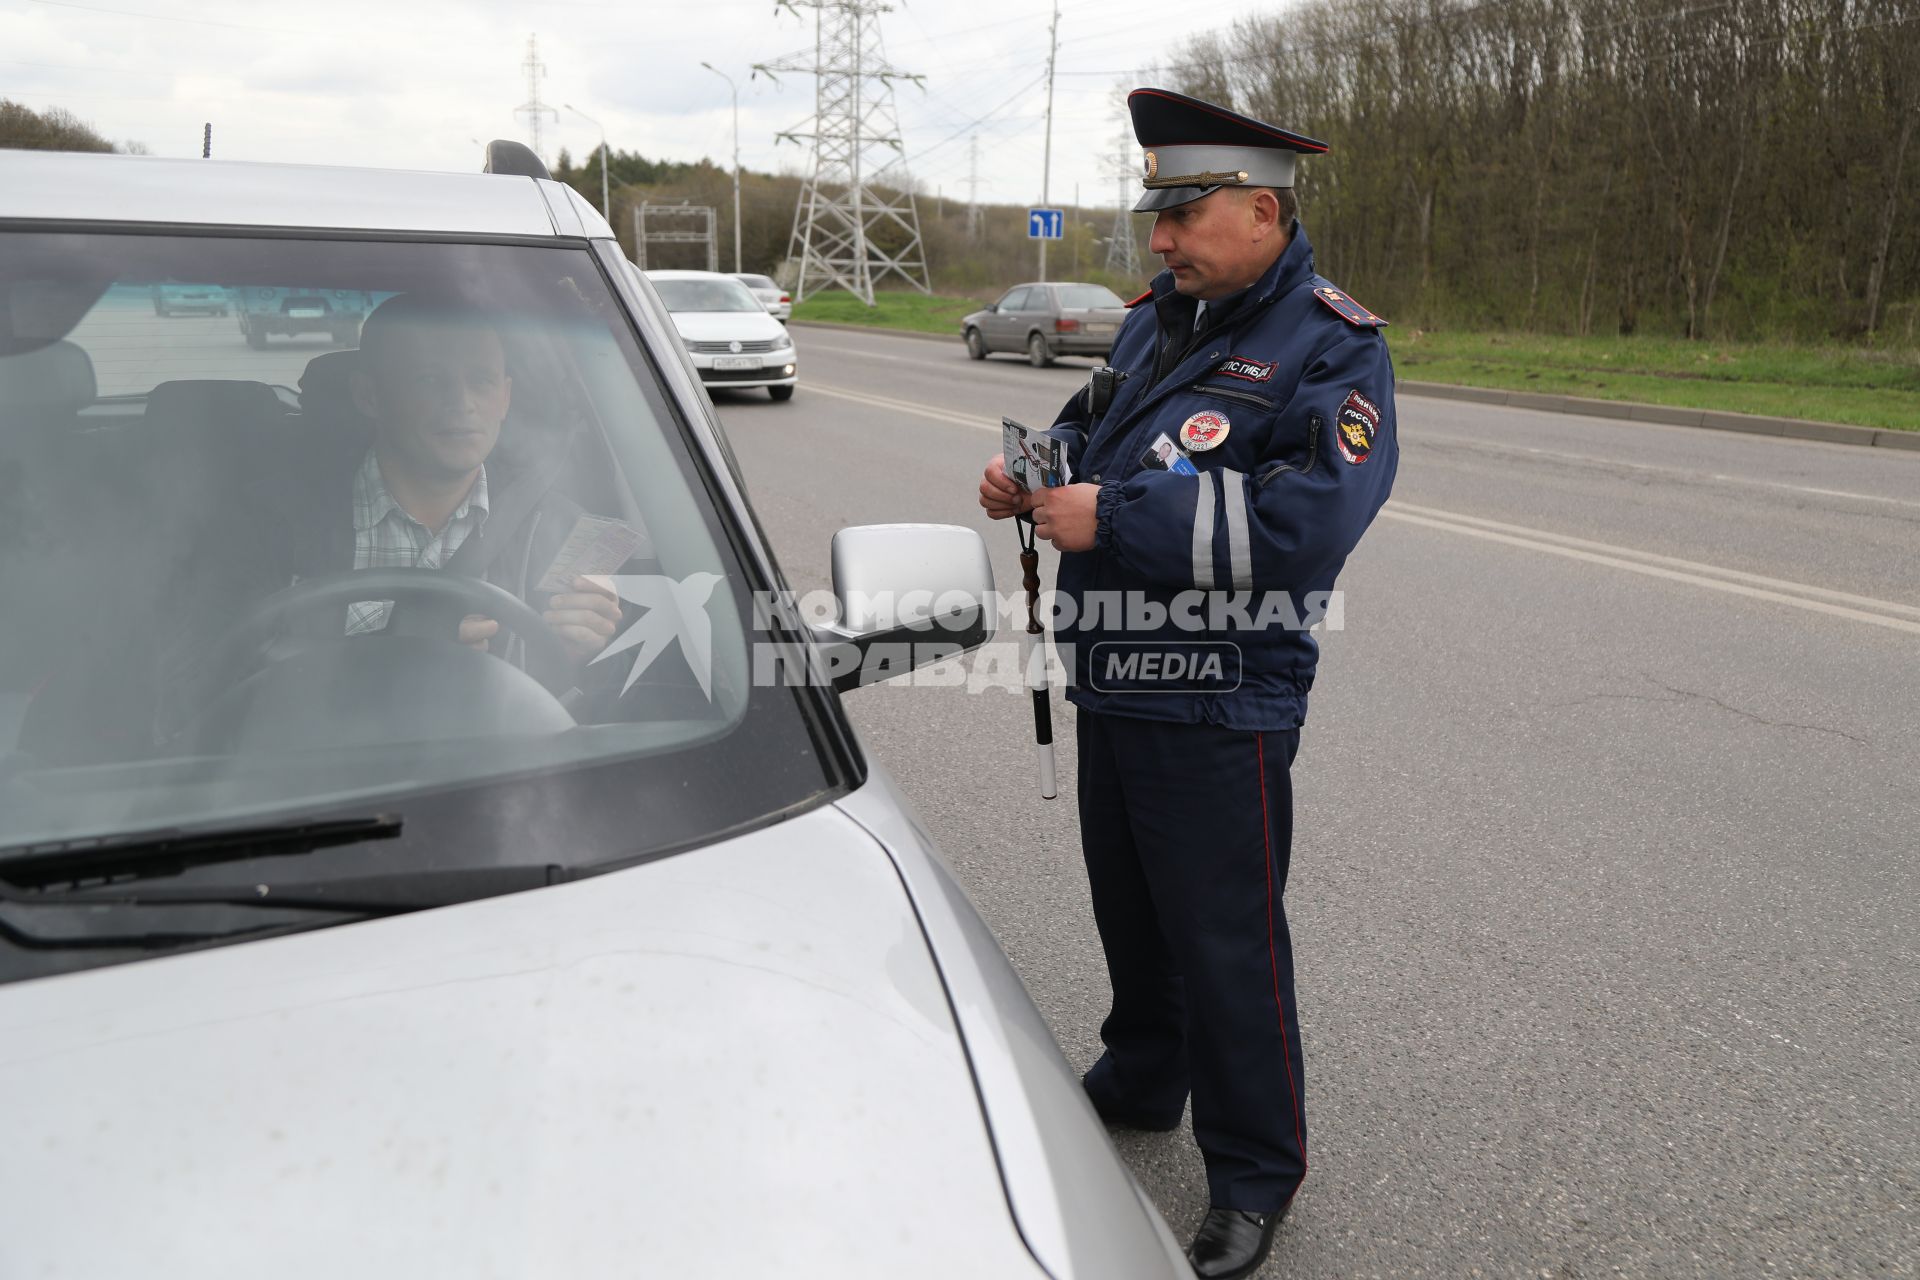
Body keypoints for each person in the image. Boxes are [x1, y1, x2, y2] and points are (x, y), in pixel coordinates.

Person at [978, 87, 1399, 1280]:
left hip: (1221, 699)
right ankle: (1145, 1071)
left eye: (1180, 214)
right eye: (1153, 214)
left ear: (1262, 210)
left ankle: (1256, 1170)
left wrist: (1110, 513)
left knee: (1227, 940)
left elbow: (1306, 523)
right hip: (1114, 672)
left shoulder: (1333, 344)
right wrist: (1035, 472)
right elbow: (1098, 427)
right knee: (1131, 903)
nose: (1157, 239)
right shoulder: (1164, 319)